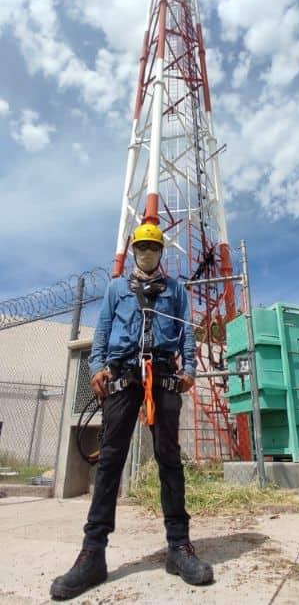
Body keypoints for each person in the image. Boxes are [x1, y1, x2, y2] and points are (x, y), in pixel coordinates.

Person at [50, 222, 213, 600]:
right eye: (141, 248)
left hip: (163, 376)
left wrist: (189, 369)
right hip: (122, 375)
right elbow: (103, 330)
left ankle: (179, 547)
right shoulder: (116, 289)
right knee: (110, 459)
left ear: (161, 253)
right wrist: (96, 368)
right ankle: (93, 554)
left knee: (169, 458)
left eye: (153, 249)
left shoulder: (175, 290)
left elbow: (187, 332)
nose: (147, 254)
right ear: (133, 250)